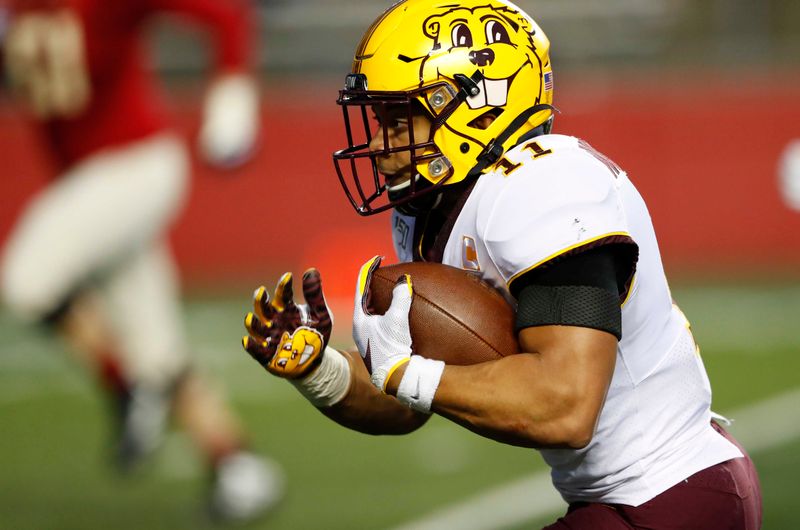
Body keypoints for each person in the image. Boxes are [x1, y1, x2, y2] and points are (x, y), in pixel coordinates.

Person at [242, 0, 762, 528]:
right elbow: (413, 398)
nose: (378, 143)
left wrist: (406, 371)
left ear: (477, 108)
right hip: (630, 500)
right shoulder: (430, 209)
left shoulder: (546, 185)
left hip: (672, 493)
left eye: (399, 118)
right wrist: (322, 371)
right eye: (378, 119)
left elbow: (566, 406)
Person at [0, 0, 282, 522]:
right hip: (95, 187)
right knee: (157, 343)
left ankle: (126, 387)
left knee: (25, 279)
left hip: (133, 166)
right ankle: (237, 464)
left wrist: (232, 94)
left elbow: (226, 15)